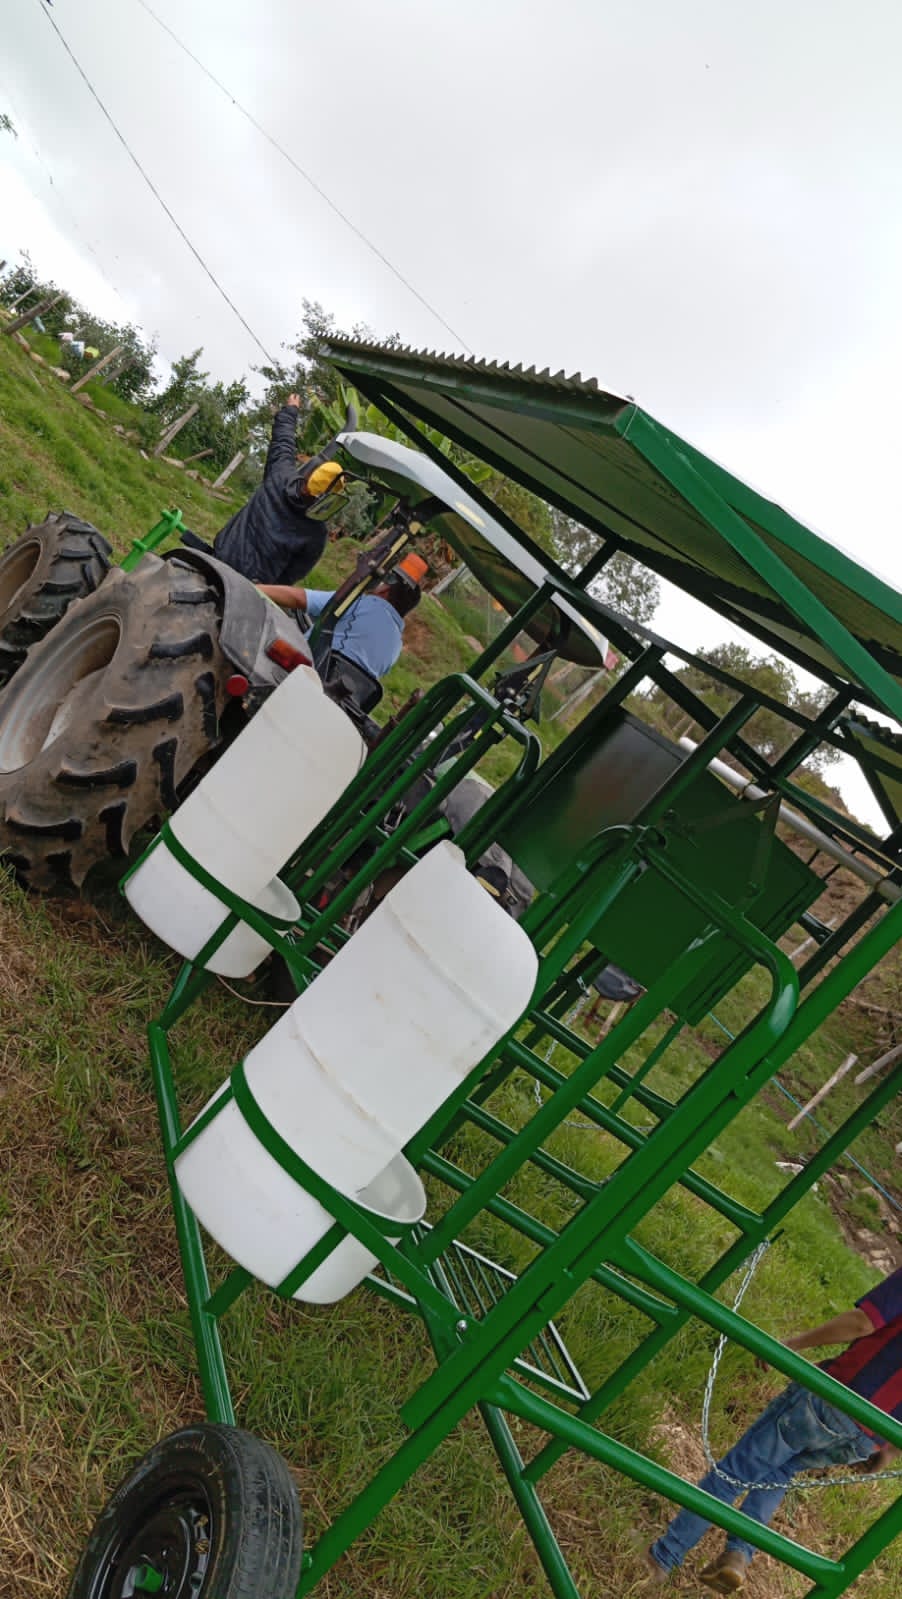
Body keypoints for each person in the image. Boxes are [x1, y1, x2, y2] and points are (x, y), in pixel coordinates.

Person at [645, 1267, 902, 1593]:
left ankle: (662, 1558)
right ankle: (738, 1554)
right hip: (871, 1437)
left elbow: (862, 1323)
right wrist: (892, 1450)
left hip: (835, 1399)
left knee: (734, 1473)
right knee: (781, 1469)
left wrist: (794, 1344)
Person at [212, 394, 347, 585]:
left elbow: (283, 440)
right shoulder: (316, 534)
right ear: (329, 498)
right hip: (251, 586)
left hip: (220, 555)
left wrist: (291, 410)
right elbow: (291, 576)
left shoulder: (280, 474)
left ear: (308, 473)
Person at [258, 552, 426, 682]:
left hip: (303, 677)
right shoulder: (396, 647)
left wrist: (254, 587)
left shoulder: (363, 604)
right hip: (339, 701)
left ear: (385, 590)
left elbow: (299, 599)